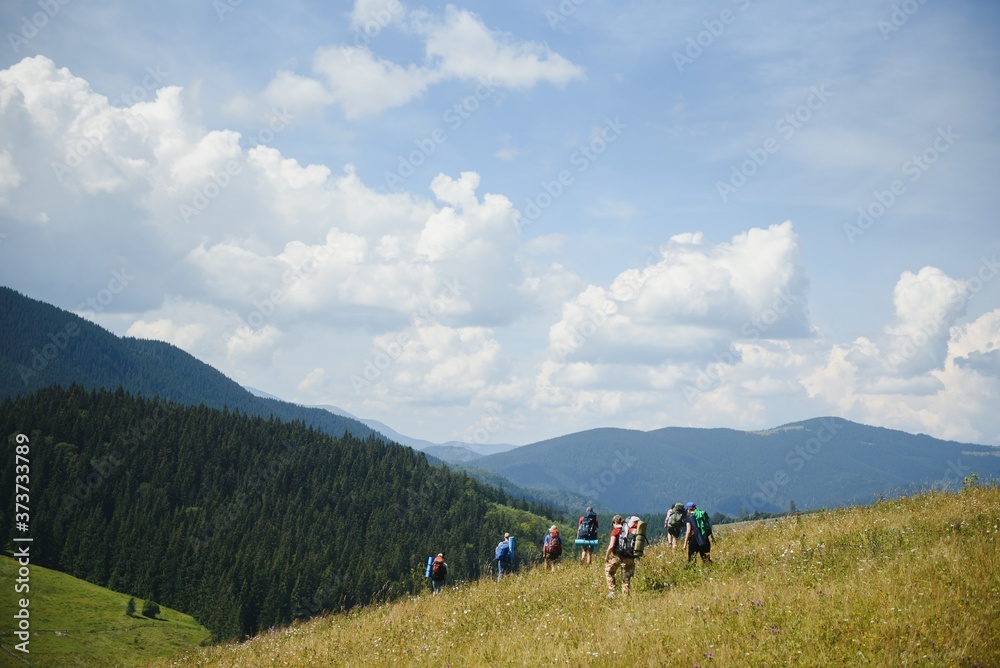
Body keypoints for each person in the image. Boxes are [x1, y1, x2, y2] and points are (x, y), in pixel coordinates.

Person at [604, 515, 635, 598]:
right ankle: (626, 598)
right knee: (626, 578)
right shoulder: (628, 530)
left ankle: (612, 592)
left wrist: (607, 556)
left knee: (609, 571)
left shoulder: (616, 531)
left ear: (615, 522)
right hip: (629, 556)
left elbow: (611, 546)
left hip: (618, 556)